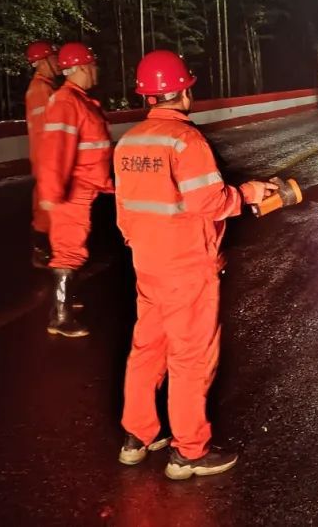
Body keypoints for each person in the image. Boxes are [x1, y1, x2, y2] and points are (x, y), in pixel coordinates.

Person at [114, 49, 276, 479]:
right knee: (191, 359)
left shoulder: (129, 143)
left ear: (147, 96)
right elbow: (210, 202)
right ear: (184, 91)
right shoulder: (187, 141)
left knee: (146, 350)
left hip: (147, 265)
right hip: (186, 268)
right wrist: (248, 194)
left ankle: (137, 437)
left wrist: (143, 248)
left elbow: (124, 212)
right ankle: (189, 452)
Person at [36, 42, 113, 338]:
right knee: (69, 251)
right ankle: (60, 317)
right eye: (93, 65)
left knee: (75, 248)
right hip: (72, 192)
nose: (96, 70)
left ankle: (66, 302)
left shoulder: (78, 101)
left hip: (83, 188)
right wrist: (53, 194)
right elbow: (54, 152)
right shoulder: (66, 102)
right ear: (81, 67)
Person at [24, 41, 59, 268]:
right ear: (43, 62)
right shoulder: (40, 90)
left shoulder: (44, 87)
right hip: (47, 158)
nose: (58, 62)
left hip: (46, 157)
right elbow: (48, 128)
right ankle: (42, 250)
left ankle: (46, 249)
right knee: (46, 207)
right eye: (53, 58)